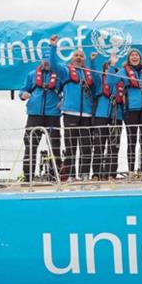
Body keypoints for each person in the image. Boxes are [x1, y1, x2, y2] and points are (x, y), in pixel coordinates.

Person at [49, 35, 102, 180]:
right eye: (76, 55)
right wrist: (53, 46)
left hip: (86, 114)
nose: (79, 57)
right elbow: (53, 64)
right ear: (72, 58)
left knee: (86, 146)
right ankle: (71, 175)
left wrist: (93, 62)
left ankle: (84, 174)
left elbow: (98, 82)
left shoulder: (89, 73)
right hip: (70, 112)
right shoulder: (65, 71)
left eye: (81, 56)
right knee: (71, 146)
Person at [19, 45, 62, 182]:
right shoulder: (32, 74)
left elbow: (65, 91)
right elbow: (23, 89)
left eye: (49, 59)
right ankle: (28, 176)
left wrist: (63, 101)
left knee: (55, 146)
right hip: (34, 114)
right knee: (30, 145)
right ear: (41, 60)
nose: (47, 62)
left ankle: (54, 175)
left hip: (53, 114)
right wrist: (23, 94)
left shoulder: (60, 75)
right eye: (45, 59)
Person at [115, 47, 142, 177]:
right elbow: (110, 81)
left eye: (136, 55)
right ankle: (131, 171)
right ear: (128, 58)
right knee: (132, 140)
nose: (134, 57)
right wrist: (112, 66)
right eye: (132, 55)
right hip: (131, 110)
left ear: (140, 58)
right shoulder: (123, 72)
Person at [92, 50, 125, 180]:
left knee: (114, 146)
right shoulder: (99, 81)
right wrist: (93, 61)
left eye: (110, 68)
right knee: (99, 145)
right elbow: (93, 72)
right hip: (101, 115)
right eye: (106, 68)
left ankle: (111, 173)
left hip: (117, 116)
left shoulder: (120, 82)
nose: (108, 70)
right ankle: (96, 173)